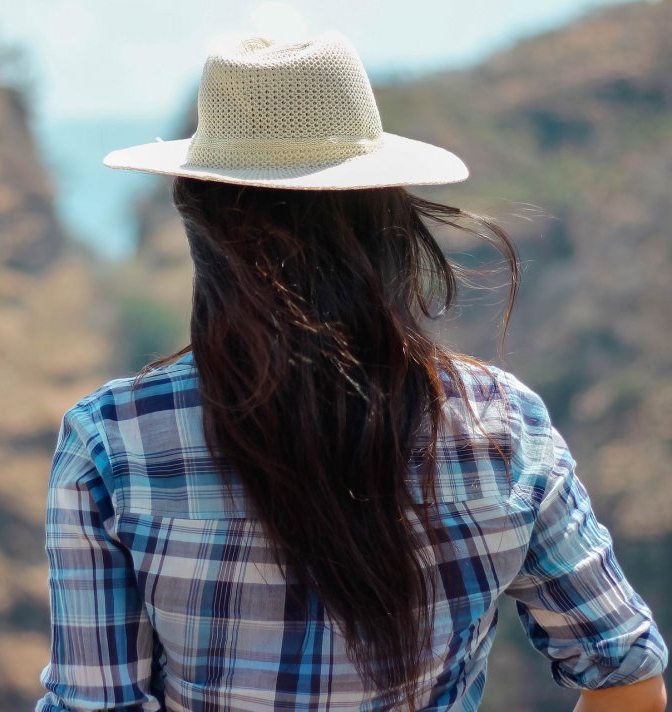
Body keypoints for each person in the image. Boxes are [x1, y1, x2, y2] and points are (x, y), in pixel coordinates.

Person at [35, 33, 668, 711]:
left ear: (202, 223)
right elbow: (627, 678)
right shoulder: (504, 428)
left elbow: (96, 705)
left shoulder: (113, 443)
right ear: (388, 216)